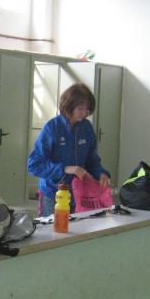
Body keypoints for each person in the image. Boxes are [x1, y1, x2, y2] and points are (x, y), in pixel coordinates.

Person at [27, 83, 111, 217]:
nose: (84, 113)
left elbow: (92, 160)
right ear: (68, 106)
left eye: (87, 109)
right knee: (53, 230)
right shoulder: (52, 128)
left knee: (79, 229)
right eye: (80, 108)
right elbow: (34, 165)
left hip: (80, 194)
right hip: (53, 194)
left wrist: (101, 174)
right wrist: (65, 169)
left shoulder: (87, 128)